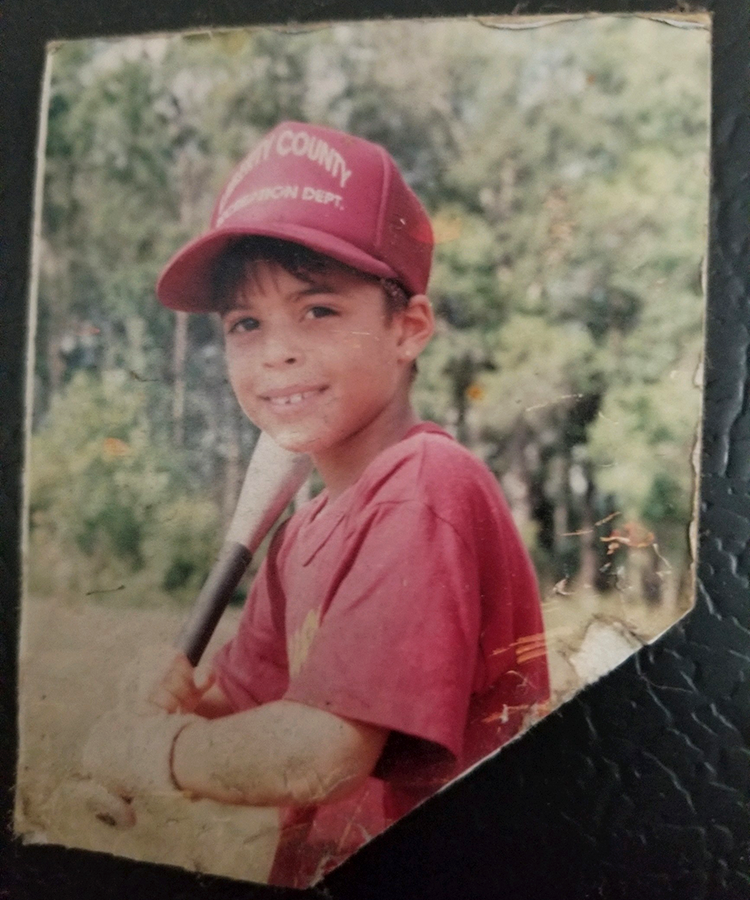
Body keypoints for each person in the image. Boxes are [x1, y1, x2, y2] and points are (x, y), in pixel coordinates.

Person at [83, 121, 550, 888]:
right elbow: (242, 711)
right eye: (245, 323)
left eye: (319, 310)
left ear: (409, 329)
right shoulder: (299, 535)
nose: (276, 352)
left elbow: (318, 755)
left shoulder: (426, 488)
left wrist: (154, 754)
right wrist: (176, 702)